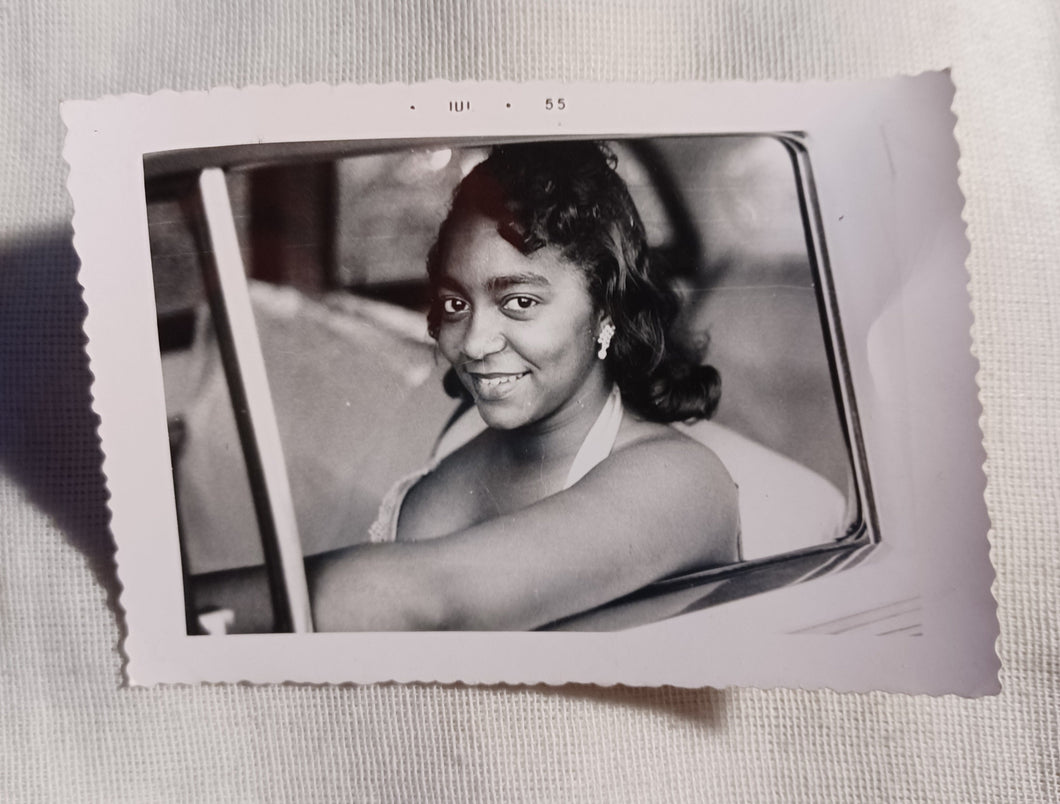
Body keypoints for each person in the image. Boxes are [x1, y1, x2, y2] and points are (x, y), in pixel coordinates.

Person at [305, 141, 740, 631]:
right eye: (454, 304)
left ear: (606, 311)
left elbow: (422, 599)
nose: (473, 342)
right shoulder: (445, 473)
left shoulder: (679, 479)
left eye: (519, 302)